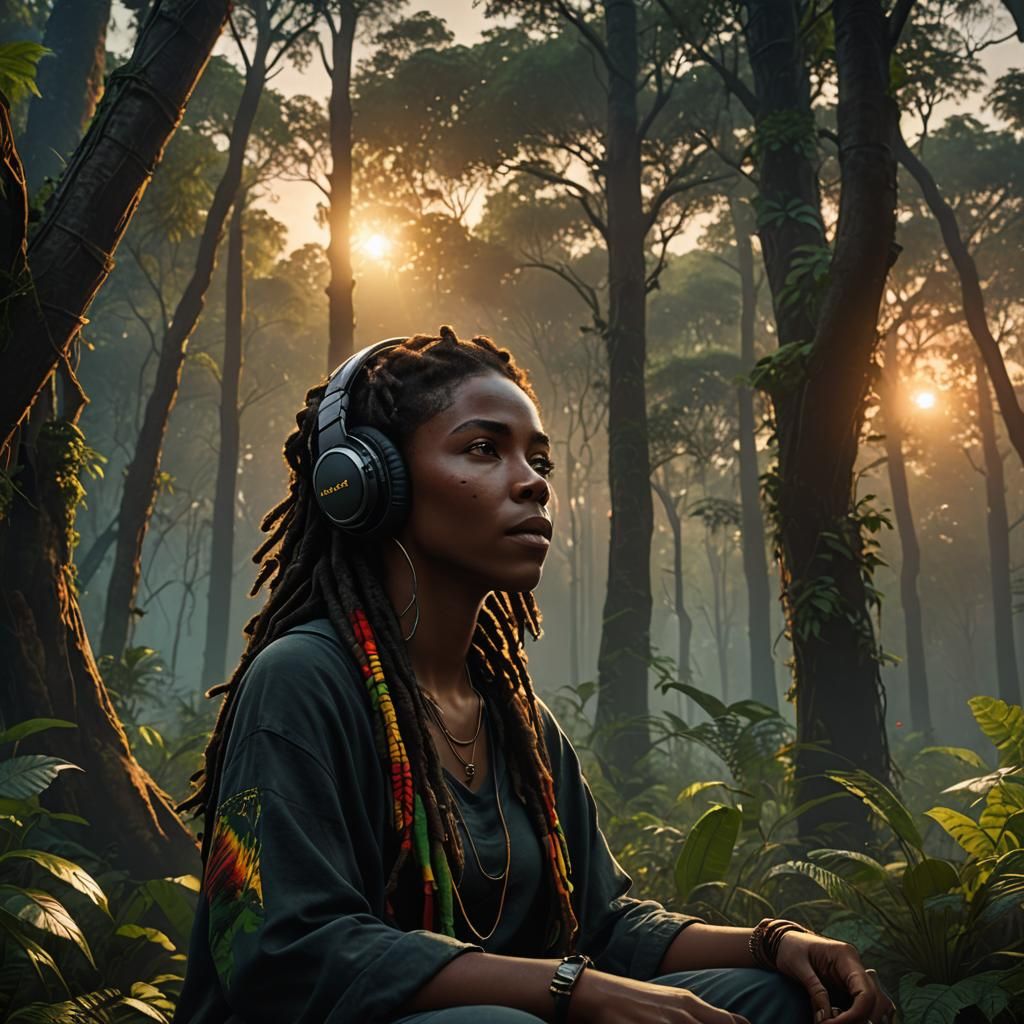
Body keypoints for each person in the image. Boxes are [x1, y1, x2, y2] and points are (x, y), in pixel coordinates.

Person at [172, 328, 895, 1024]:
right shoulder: (301, 680)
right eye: (484, 449)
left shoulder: (517, 723)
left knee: (781, 999)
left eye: (539, 461)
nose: (532, 485)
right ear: (366, 481)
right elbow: (278, 953)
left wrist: (777, 942)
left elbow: (603, 925)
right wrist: (567, 990)